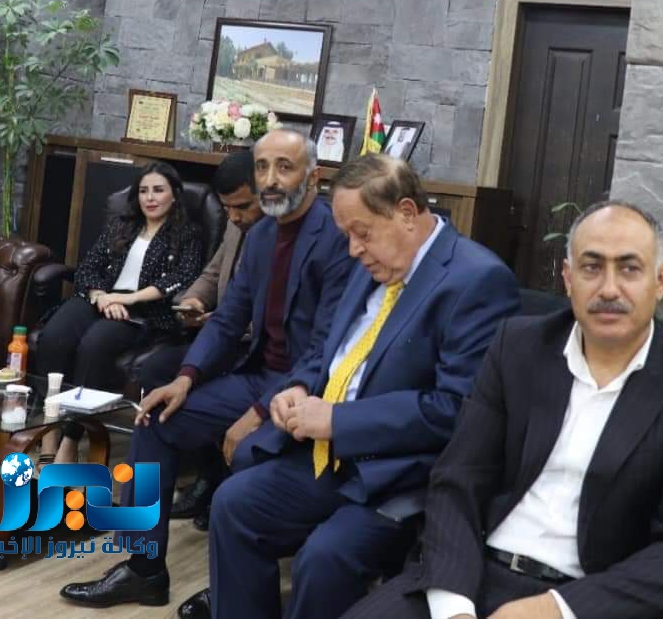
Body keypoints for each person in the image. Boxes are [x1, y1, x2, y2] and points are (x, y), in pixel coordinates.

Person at [345, 200, 663, 619]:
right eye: (591, 267)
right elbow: (458, 480)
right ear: (568, 278)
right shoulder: (518, 347)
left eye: (629, 269)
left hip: (587, 598)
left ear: (660, 281)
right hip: (469, 575)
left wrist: (556, 609)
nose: (609, 289)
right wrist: (455, 606)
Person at [177, 154, 519, 619]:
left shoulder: (476, 280)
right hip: (327, 455)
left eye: (363, 233)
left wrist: (339, 420)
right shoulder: (371, 264)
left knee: (324, 559)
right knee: (233, 504)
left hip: (401, 473)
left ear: (406, 213)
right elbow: (326, 347)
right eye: (347, 236)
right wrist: (298, 385)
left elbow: (456, 409)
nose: (354, 249)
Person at [58, 129, 355, 609]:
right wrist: (185, 378)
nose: (270, 179)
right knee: (154, 419)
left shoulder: (337, 239)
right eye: (262, 167)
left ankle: (234, 590)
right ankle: (144, 568)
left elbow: (327, 348)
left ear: (314, 177)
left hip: (306, 391)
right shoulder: (260, 236)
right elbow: (229, 318)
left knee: (250, 454)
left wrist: (257, 413)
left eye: (284, 167)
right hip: (256, 377)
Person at [35, 162, 202, 462]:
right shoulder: (122, 225)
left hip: (141, 311)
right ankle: (49, 431)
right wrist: (101, 296)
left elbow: (180, 278)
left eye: (158, 190)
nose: (150, 198)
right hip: (99, 298)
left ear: (174, 195)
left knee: (94, 346)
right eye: (143, 191)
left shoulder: (187, 234)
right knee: (54, 337)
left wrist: (126, 299)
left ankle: (71, 438)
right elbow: (88, 268)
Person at [133, 150, 264, 529]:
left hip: (249, 348)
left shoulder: (275, 234)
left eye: (241, 206)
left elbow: (265, 314)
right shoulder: (236, 223)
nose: (233, 216)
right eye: (227, 208)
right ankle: (193, 477)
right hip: (218, 335)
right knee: (156, 372)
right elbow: (213, 273)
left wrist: (220, 322)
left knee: (200, 382)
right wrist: (193, 300)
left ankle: (215, 483)